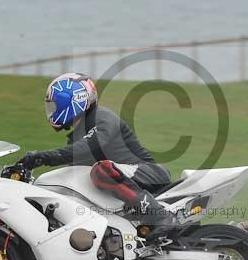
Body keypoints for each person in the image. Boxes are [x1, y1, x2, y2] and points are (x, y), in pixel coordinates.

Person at [20, 72, 179, 242]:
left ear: (73, 100)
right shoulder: (76, 137)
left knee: (102, 170)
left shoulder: (100, 116)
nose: (52, 111)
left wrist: (46, 157)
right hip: (124, 185)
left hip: (149, 174)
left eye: (55, 105)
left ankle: (161, 217)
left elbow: (93, 144)